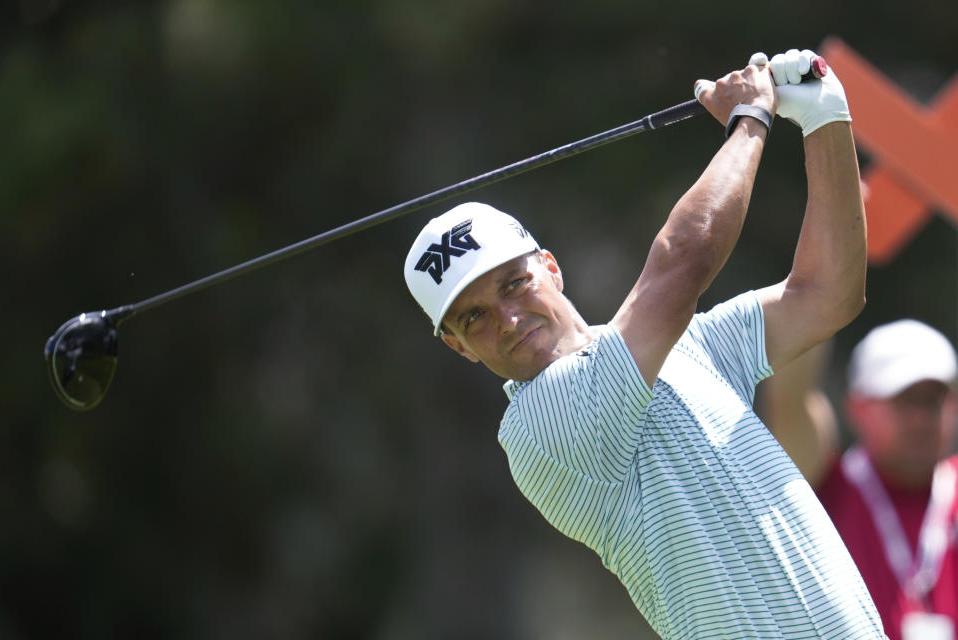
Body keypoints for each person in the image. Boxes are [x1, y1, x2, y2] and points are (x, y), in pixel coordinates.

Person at [404, 49, 884, 639]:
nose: (506, 318)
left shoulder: (689, 347)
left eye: (515, 282)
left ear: (551, 269)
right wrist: (751, 121)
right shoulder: (541, 426)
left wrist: (824, 120)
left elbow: (826, 295)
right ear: (458, 347)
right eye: (475, 316)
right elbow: (681, 263)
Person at [761, 321, 958, 640]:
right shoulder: (829, 487)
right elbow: (790, 400)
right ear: (858, 407)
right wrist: (823, 289)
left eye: (933, 401)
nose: (922, 419)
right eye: (905, 401)